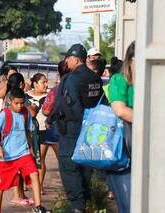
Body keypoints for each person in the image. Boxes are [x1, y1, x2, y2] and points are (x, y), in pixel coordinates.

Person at [55, 44, 103, 212]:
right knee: (86, 164)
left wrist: (60, 119)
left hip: (72, 129)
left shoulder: (71, 78)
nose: (66, 61)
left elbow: (69, 106)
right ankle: (88, 200)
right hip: (92, 128)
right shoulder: (95, 78)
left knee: (69, 166)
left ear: (75, 59)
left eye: (68, 58)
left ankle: (77, 206)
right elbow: (100, 102)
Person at [0, 87, 48, 213]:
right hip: (6, 157)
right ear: (10, 101)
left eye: (22, 103)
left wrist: (31, 148)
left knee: (34, 174)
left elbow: (28, 131)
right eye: (17, 103)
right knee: (0, 187)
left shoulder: (25, 113)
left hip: (23, 153)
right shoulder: (5, 114)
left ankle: (38, 207)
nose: (20, 106)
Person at [107, 41, 135, 213]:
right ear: (130, 60)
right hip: (123, 153)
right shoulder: (119, 80)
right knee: (129, 206)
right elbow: (120, 110)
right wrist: (152, 122)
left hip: (149, 153)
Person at [26, 73, 55, 195]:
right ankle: (29, 183)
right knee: (30, 159)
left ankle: (39, 186)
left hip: (44, 130)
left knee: (40, 158)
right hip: (29, 132)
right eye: (43, 82)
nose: (46, 84)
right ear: (35, 83)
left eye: (46, 82)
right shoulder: (25, 96)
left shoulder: (50, 97)